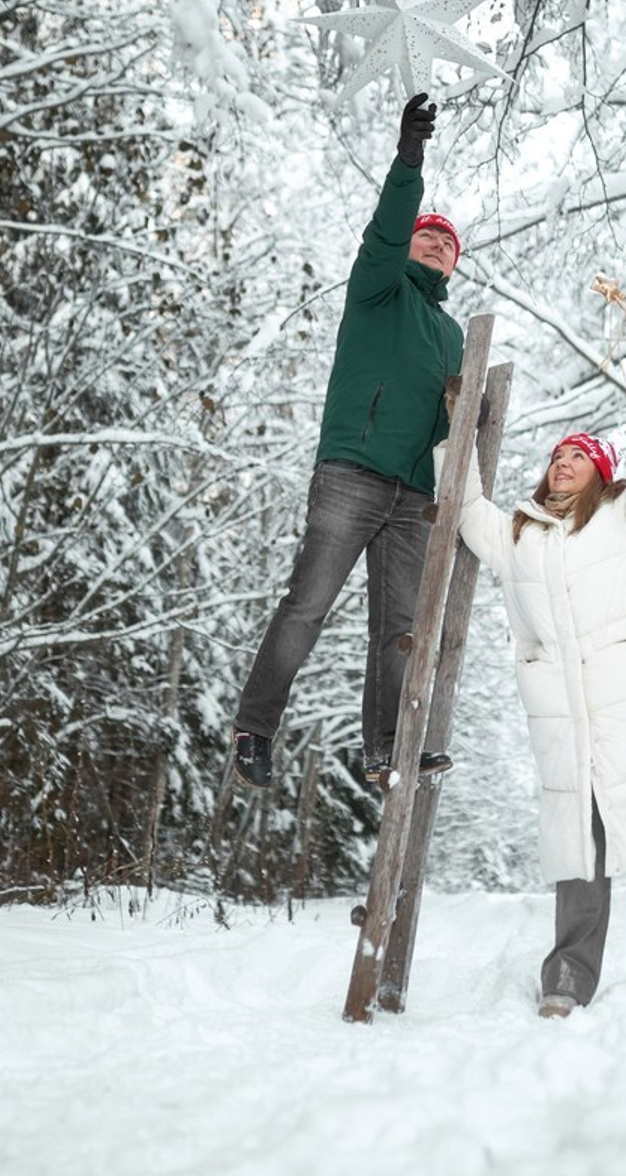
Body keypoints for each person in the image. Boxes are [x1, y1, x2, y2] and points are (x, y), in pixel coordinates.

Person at [443, 329, 626, 1017]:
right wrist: (452, 430)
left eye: (579, 456)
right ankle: (568, 976)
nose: (564, 463)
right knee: (581, 850)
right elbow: (463, 506)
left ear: (601, 472)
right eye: (558, 457)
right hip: (568, 721)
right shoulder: (519, 535)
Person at [231, 93, 465, 790]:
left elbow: (448, 423)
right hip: (353, 473)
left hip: (412, 494)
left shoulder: (454, 336)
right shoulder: (379, 288)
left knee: (399, 628)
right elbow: (388, 232)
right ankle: (256, 727)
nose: (434, 244)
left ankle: (386, 748)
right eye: (428, 234)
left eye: (447, 243)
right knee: (309, 602)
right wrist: (410, 161)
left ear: (456, 264)